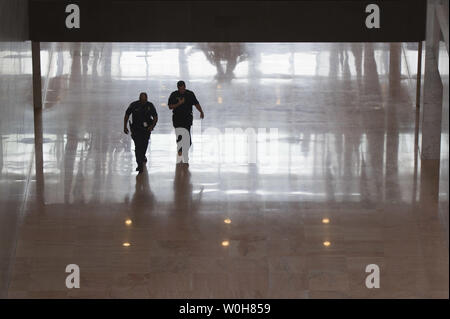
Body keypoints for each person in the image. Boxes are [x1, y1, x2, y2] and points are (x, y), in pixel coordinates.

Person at [168, 81, 204, 164]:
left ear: (185, 87)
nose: (182, 90)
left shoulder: (190, 94)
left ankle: (184, 152)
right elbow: (170, 106)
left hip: (187, 118)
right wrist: (179, 103)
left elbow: (196, 103)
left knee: (188, 139)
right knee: (180, 137)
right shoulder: (174, 95)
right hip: (177, 119)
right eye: (180, 89)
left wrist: (201, 111)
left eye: (183, 88)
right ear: (178, 88)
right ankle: (181, 154)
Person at [123, 92, 158, 173]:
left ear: (147, 99)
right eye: (142, 100)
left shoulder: (150, 105)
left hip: (146, 129)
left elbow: (155, 117)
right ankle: (139, 164)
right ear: (139, 99)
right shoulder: (133, 105)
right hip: (136, 129)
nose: (143, 102)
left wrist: (152, 126)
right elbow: (127, 114)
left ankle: (142, 157)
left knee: (144, 145)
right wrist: (125, 126)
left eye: (144, 100)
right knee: (138, 146)